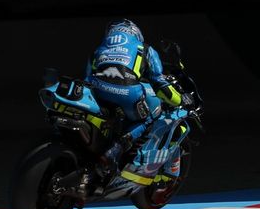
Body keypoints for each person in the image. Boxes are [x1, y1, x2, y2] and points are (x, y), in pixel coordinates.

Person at [81, 19, 192, 194]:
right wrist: (180, 100)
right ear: (136, 33)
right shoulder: (145, 49)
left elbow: (87, 76)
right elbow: (159, 83)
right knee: (150, 117)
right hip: (126, 90)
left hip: (97, 88)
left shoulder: (100, 48)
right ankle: (116, 148)